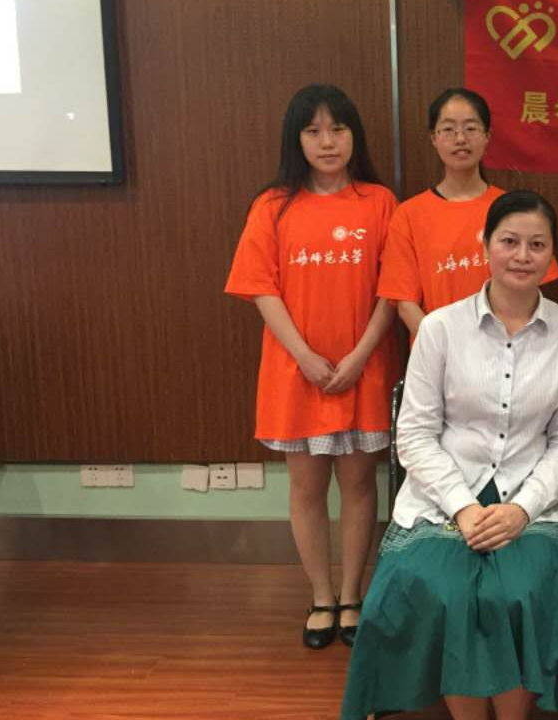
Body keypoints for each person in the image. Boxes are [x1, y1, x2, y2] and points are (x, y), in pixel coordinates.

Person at [342, 190, 558, 720]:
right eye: (509, 241)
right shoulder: (439, 328)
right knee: (444, 590)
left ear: (551, 255)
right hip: (443, 498)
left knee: (519, 591)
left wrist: (521, 509)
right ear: (486, 246)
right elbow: (414, 434)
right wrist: (463, 506)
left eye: (537, 245)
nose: (522, 255)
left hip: (534, 501)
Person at [225, 84, 396, 650]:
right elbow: (260, 288)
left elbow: (393, 289)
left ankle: (352, 595)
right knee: (305, 487)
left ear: (354, 136)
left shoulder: (379, 202)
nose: (328, 142)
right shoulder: (272, 206)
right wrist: (303, 354)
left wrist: (360, 355)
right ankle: (321, 596)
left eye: (338, 129)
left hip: (363, 368)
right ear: (295, 139)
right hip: (295, 373)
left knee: (359, 484)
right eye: (314, 130)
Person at [378, 88, 558, 339]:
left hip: (508, 349)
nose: (460, 138)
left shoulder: (513, 210)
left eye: (471, 128)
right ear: (433, 138)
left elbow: (530, 289)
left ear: (487, 136)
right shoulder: (408, 214)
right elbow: (405, 304)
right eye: (448, 129)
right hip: (439, 353)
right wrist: (447, 350)